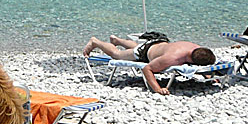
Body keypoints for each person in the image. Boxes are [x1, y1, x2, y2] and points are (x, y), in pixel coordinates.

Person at [82, 33, 216, 96]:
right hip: (145, 53)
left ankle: (117, 40)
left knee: (137, 47)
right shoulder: (172, 58)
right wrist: (158, 89)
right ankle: (96, 42)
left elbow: (204, 63)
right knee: (117, 54)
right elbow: (147, 68)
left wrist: (209, 75)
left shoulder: (195, 47)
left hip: (158, 43)